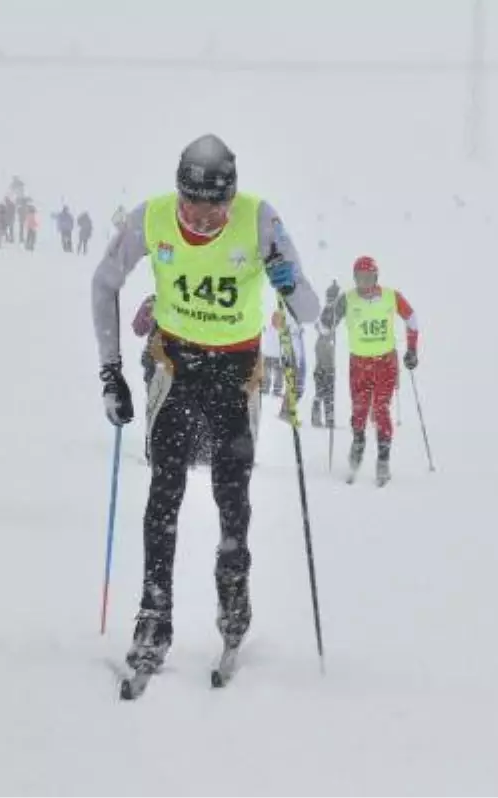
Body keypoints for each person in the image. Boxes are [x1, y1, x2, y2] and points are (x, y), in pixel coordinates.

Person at [90, 133, 319, 686]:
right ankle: (154, 617)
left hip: (235, 376)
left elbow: (308, 310)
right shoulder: (152, 218)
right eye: (192, 205)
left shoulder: (260, 220)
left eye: (215, 208)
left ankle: (232, 594)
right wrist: (110, 371)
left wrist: (288, 283)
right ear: (179, 193)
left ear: (231, 198)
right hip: (176, 368)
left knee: (231, 494)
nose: (202, 219)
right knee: (163, 494)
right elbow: (104, 282)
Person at [320, 256, 418, 485]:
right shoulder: (348, 299)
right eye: (359, 278)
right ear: (354, 279)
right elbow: (325, 327)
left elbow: (411, 318)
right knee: (360, 410)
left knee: (382, 408)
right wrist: (328, 314)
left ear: (376, 277)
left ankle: (383, 459)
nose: (364, 283)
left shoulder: (391, 296)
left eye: (368, 278)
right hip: (359, 364)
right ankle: (358, 444)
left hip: (385, 362)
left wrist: (412, 349)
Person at [311, 281, 341, 427]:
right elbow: (324, 329)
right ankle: (323, 417)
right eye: (332, 297)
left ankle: (327, 417)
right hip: (325, 355)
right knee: (324, 388)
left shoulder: (330, 311)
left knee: (325, 388)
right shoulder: (328, 312)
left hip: (326, 354)